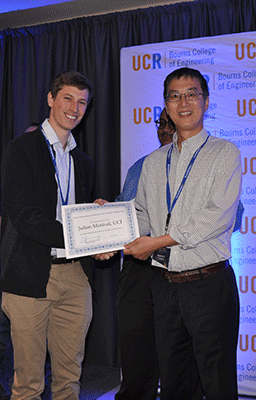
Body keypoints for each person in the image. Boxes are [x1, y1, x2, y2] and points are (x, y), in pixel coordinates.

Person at [124, 67, 241, 400]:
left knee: (217, 383)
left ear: (205, 101)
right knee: (174, 383)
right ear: (166, 105)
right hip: (164, 287)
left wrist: (157, 242)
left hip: (209, 285)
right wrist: (111, 227)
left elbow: (215, 218)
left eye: (191, 94)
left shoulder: (225, 153)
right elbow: (142, 215)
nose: (183, 102)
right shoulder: (153, 161)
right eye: (174, 96)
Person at [0, 71, 98, 400]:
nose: (75, 108)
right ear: (51, 99)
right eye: (68, 98)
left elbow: (80, 217)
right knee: (28, 382)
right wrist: (82, 236)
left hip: (74, 276)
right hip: (30, 275)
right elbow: (26, 218)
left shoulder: (83, 162)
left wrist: (98, 223)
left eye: (82, 102)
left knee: (70, 377)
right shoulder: (21, 149)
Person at [114, 108, 175, 400]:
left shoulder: (207, 165)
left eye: (170, 123)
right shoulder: (140, 167)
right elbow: (123, 214)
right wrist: (106, 217)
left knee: (180, 356)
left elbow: (231, 217)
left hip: (180, 269)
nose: (164, 129)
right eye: (160, 123)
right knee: (137, 352)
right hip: (139, 268)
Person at [0, 122, 53, 400]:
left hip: (48, 271)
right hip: (17, 271)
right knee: (18, 364)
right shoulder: (14, 165)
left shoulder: (73, 166)